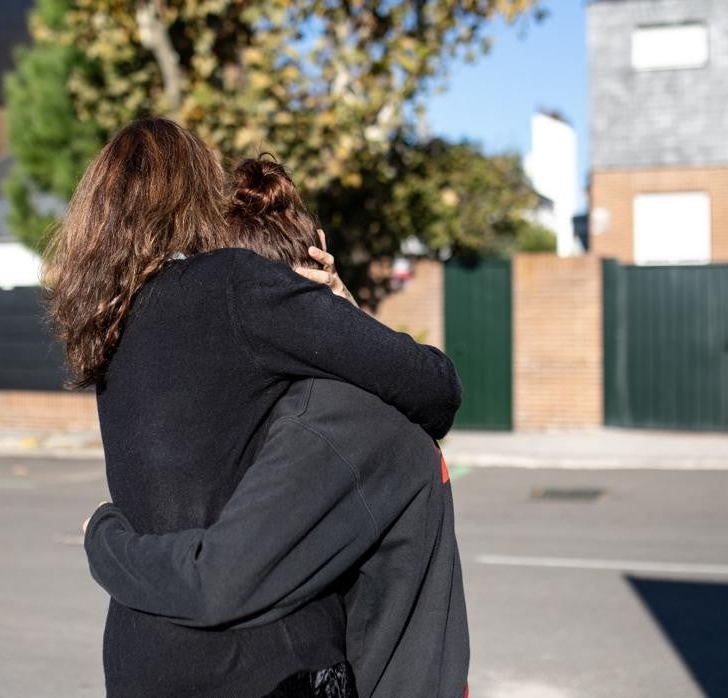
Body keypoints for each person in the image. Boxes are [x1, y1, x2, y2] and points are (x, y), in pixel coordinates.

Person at [44, 118, 461, 697]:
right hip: (264, 663)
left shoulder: (109, 329)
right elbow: (435, 388)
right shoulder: (232, 286)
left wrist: (104, 536)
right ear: (193, 193)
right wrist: (343, 308)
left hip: (142, 658)